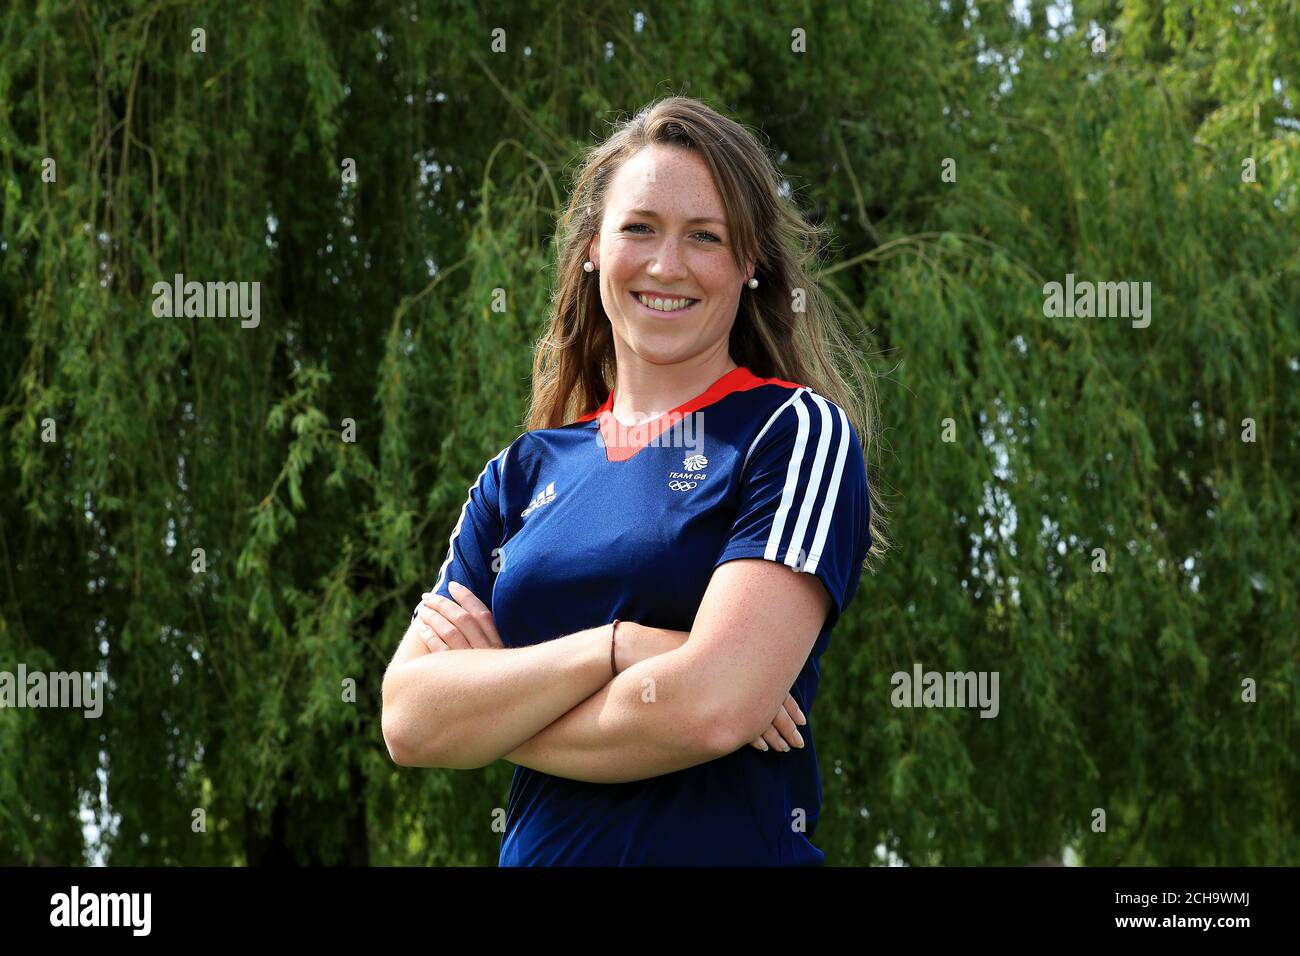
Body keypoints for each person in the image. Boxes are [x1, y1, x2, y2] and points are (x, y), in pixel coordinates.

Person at [381, 95, 887, 865]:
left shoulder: (792, 434)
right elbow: (411, 720)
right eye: (640, 228)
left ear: (749, 265)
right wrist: (622, 648)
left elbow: (712, 710)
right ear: (591, 247)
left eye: (705, 237)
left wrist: (493, 715)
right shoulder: (517, 477)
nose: (666, 264)